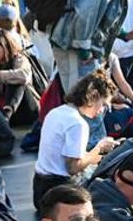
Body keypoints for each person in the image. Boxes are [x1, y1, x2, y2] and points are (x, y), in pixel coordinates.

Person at [33, 70, 119, 209]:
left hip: (40, 187)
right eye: (103, 104)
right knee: (108, 189)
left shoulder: (57, 112)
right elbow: (73, 167)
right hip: (60, 191)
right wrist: (99, 148)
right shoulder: (78, 124)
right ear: (94, 97)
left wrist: (94, 156)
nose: (102, 110)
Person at [0, 26, 40, 125]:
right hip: (1, 109)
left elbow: (24, 76)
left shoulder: (18, 59)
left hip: (27, 109)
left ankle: (6, 116)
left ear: (5, 46)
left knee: (17, 80)